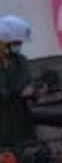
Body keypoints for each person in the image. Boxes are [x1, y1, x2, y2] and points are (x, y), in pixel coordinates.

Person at [0, 16, 36, 151]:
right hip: (4, 128)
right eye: (15, 42)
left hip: (23, 123)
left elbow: (28, 80)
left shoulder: (20, 61)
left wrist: (34, 90)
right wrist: (18, 92)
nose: (18, 45)